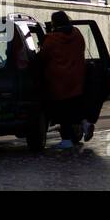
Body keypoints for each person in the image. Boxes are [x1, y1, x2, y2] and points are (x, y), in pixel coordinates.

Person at [40, 11, 87, 148]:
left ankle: (66, 140)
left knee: (63, 111)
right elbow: (82, 49)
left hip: (58, 80)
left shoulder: (52, 39)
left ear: (54, 23)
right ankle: (85, 123)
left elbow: (43, 57)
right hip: (77, 78)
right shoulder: (77, 34)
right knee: (75, 107)